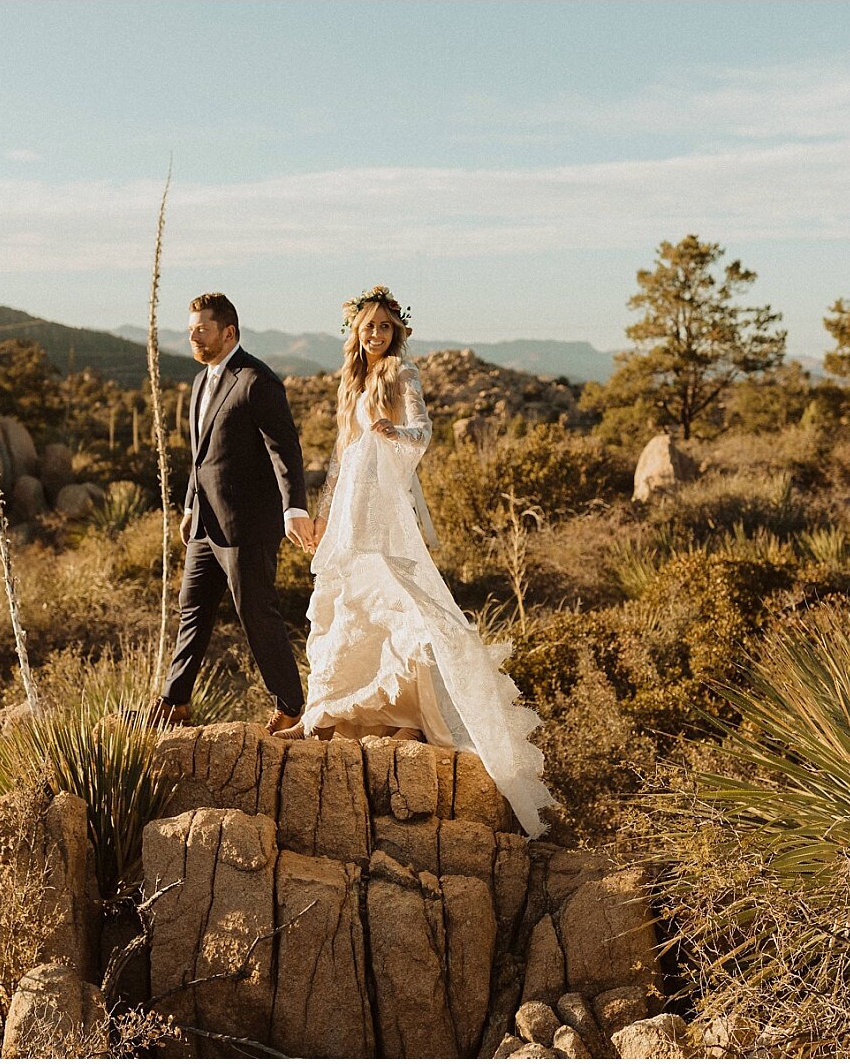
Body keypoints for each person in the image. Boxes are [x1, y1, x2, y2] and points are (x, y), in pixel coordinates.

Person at [283, 285, 557, 839]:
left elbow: (424, 432)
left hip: (385, 504)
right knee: (345, 599)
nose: (377, 335)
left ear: (396, 332)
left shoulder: (402, 376)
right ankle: (333, 711)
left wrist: (394, 432)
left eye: (386, 327)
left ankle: (411, 715)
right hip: (353, 501)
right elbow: (339, 458)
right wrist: (323, 516)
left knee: (398, 600)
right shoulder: (352, 381)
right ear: (356, 334)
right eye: (369, 328)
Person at [151, 293, 314, 736]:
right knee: (193, 610)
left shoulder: (257, 380)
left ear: (229, 332)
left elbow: (285, 450)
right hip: (205, 523)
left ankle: (292, 707)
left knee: (257, 613)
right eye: (190, 331)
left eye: (201, 330)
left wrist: (294, 507)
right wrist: (189, 504)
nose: (194, 338)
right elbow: (201, 456)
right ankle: (174, 704)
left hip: (248, 526)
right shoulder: (201, 382)